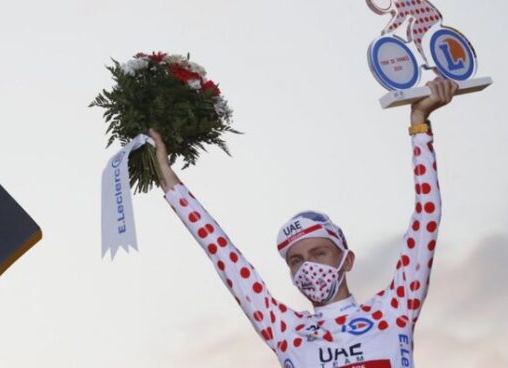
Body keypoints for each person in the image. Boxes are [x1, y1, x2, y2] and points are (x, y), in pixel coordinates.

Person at [148, 76, 458, 368]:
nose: (307, 266)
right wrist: (167, 179)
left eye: (319, 253)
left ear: (347, 260)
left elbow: (426, 217)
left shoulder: (393, 311)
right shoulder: (285, 330)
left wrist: (419, 124)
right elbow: (221, 253)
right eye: (296, 260)